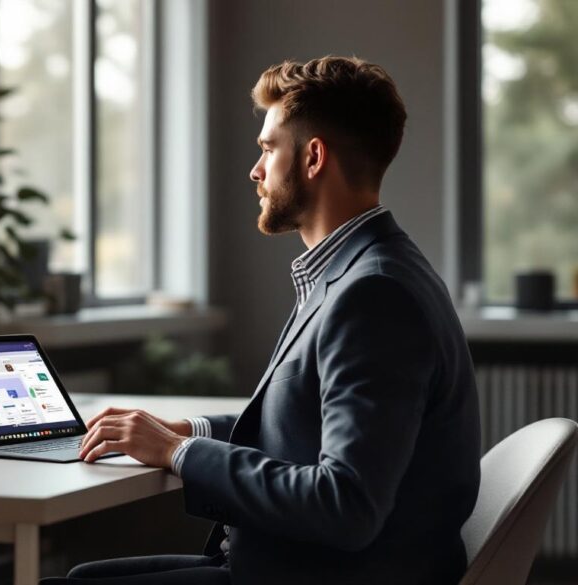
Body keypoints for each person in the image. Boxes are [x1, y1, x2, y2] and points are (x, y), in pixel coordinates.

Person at [41, 56, 481, 585]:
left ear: (313, 157)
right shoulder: (363, 270)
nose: (256, 169)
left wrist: (177, 452)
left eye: (269, 148)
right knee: (83, 576)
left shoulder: (373, 294)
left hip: (322, 575)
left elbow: (345, 504)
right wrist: (187, 431)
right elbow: (302, 428)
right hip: (297, 564)